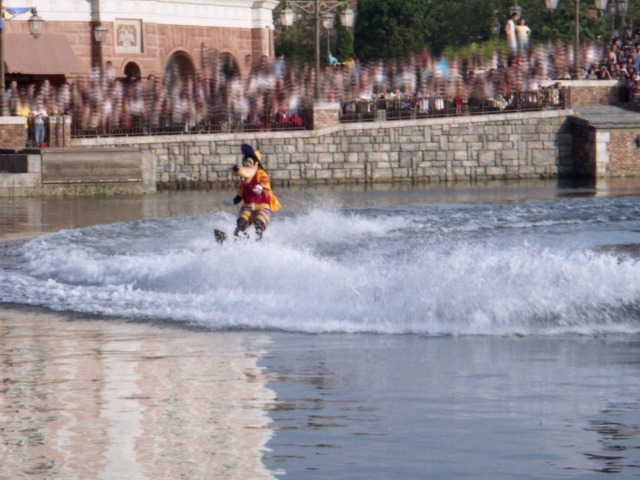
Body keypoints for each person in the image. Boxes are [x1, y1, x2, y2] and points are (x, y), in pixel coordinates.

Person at [225, 144, 280, 240]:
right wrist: (232, 201)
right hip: (248, 207)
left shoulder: (261, 174)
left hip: (262, 207)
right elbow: (241, 195)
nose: (245, 166)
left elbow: (265, 186)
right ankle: (237, 239)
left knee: (259, 223)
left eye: (248, 164)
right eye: (244, 164)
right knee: (241, 222)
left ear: (256, 164)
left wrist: (260, 188)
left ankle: (259, 241)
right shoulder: (244, 180)